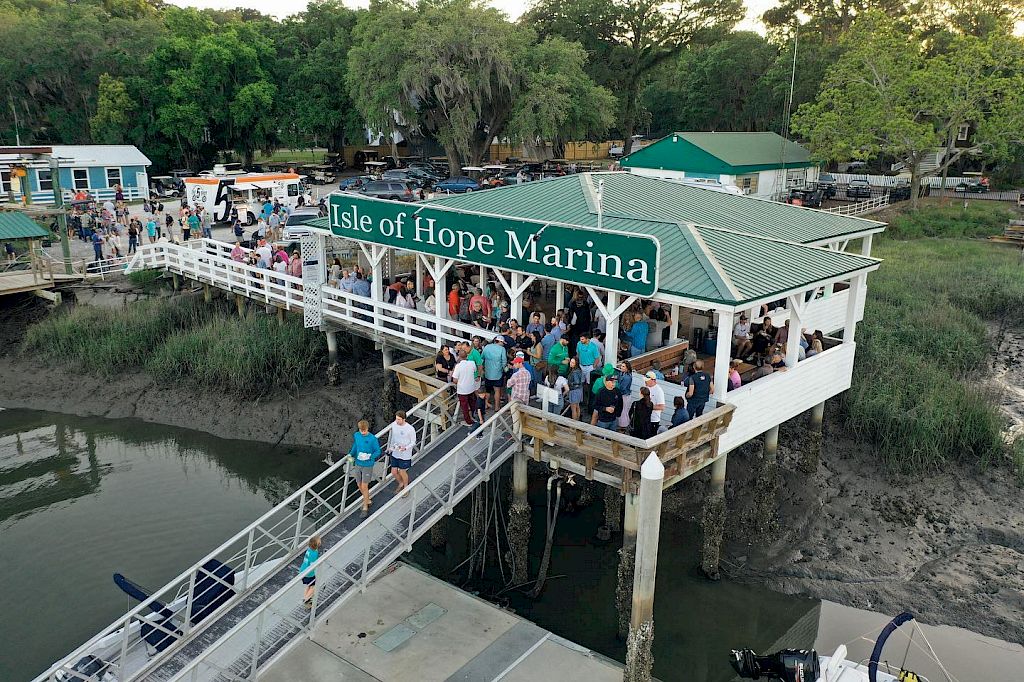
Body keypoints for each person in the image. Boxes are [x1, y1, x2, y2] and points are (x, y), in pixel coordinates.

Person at [347, 419, 382, 514]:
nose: (363, 432)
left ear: (367, 429)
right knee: (359, 484)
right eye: (361, 431)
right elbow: (356, 445)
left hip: (368, 464)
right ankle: (368, 500)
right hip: (358, 463)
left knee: (364, 485)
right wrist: (351, 454)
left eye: (364, 431)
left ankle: (365, 506)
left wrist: (370, 456)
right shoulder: (357, 435)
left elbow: (378, 451)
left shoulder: (372, 439)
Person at [388, 410, 417, 496]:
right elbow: (393, 437)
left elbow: (413, 442)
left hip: (405, 454)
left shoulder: (410, 429)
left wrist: (406, 448)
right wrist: (390, 447)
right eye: (396, 419)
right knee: (393, 472)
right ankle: (400, 482)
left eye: (399, 419)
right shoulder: (394, 425)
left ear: (404, 419)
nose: (397, 421)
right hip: (395, 451)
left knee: (402, 471)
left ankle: (406, 487)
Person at [452, 349, 478, 427]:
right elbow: (474, 371)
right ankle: (474, 416)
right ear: (467, 356)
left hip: (462, 389)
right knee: (472, 403)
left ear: (459, 357)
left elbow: (455, 380)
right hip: (471, 387)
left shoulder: (458, 366)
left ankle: (468, 421)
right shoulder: (472, 363)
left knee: (464, 406)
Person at [482, 336, 507, 410]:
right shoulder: (502, 349)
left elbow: (482, 357)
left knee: (488, 390)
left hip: (487, 372)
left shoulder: (487, 347)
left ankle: (486, 404)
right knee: (497, 390)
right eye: (503, 343)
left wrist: (484, 367)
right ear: (500, 342)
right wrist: (504, 369)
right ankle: (497, 407)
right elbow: (504, 361)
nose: (503, 344)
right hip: (497, 373)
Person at [299, 535, 322, 608]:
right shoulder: (314, 553)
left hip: (303, 570)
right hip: (309, 573)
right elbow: (312, 564)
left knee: (309, 585)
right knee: (314, 586)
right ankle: (306, 599)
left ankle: (306, 598)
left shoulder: (309, 549)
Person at [615, 360, 634, 431]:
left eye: (623, 366)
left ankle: (623, 426)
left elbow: (622, 388)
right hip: (623, 394)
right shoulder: (622, 373)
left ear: (627, 368)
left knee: (623, 411)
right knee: (623, 410)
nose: (621, 367)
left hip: (624, 395)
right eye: (621, 366)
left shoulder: (627, 377)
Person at [566, 356, 584, 420]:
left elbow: (576, 382)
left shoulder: (574, 372)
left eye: (573, 363)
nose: (571, 363)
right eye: (571, 362)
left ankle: (574, 424)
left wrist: (569, 384)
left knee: (573, 409)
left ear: (576, 364)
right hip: (579, 390)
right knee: (577, 407)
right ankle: (578, 421)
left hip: (574, 391)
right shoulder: (579, 370)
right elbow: (582, 381)